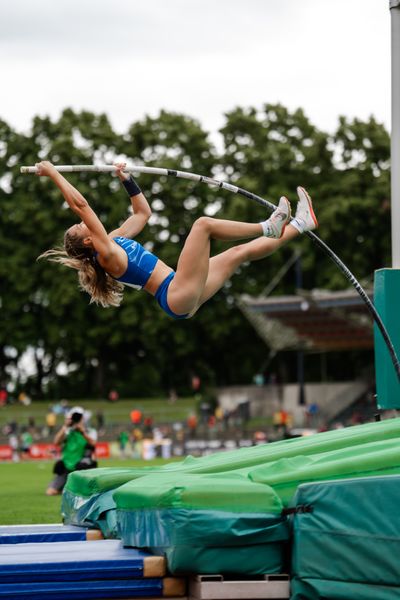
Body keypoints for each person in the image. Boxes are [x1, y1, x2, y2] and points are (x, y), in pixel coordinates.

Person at [36, 160, 318, 319]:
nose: (81, 222)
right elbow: (81, 206)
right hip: (175, 292)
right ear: (86, 242)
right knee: (203, 225)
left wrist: (126, 179)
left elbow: (142, 213)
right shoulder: (106, 254)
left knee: (238, 253)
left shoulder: (114, 239)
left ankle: (300, 224)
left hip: (180, 293)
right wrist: (53, 174)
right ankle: (268, 226)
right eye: (78, 227)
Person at [46, 406, 97, 496]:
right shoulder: (67, 431)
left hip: (82, 469)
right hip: (66, 467)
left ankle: (70, 488)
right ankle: (66, 488)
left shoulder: (89, 431)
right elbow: (56, 442)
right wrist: (65, 427)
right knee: (50, 491)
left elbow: (93, 443)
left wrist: (82, 432)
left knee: (84, 492)